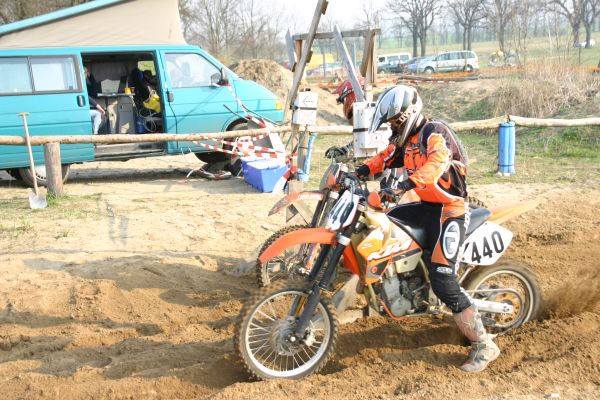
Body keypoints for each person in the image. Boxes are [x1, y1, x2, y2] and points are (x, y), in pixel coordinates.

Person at [355, 85, 500, 373]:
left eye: (395, 122)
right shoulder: (407, 141)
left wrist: (404, 185)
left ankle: (484, 344)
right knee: (382, 224)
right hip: (426, 207)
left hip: (450, 211)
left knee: (443, 279)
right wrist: (360, 170)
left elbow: (437, 162)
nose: (393, 128)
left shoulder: (434, 132)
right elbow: (385, 156)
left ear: (408, 115)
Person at [84, 66, 105, 134]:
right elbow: (87, 97)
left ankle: (94, 132)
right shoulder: (80, 85)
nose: (86, 74)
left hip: (84, 109)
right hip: (81, 111)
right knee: (97, 113)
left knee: (95, 114)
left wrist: (91, 77)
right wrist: (98, 107)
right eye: (85, 72)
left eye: (87, 72)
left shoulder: (84, 84)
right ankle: (95, 134)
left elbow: (94, 92)